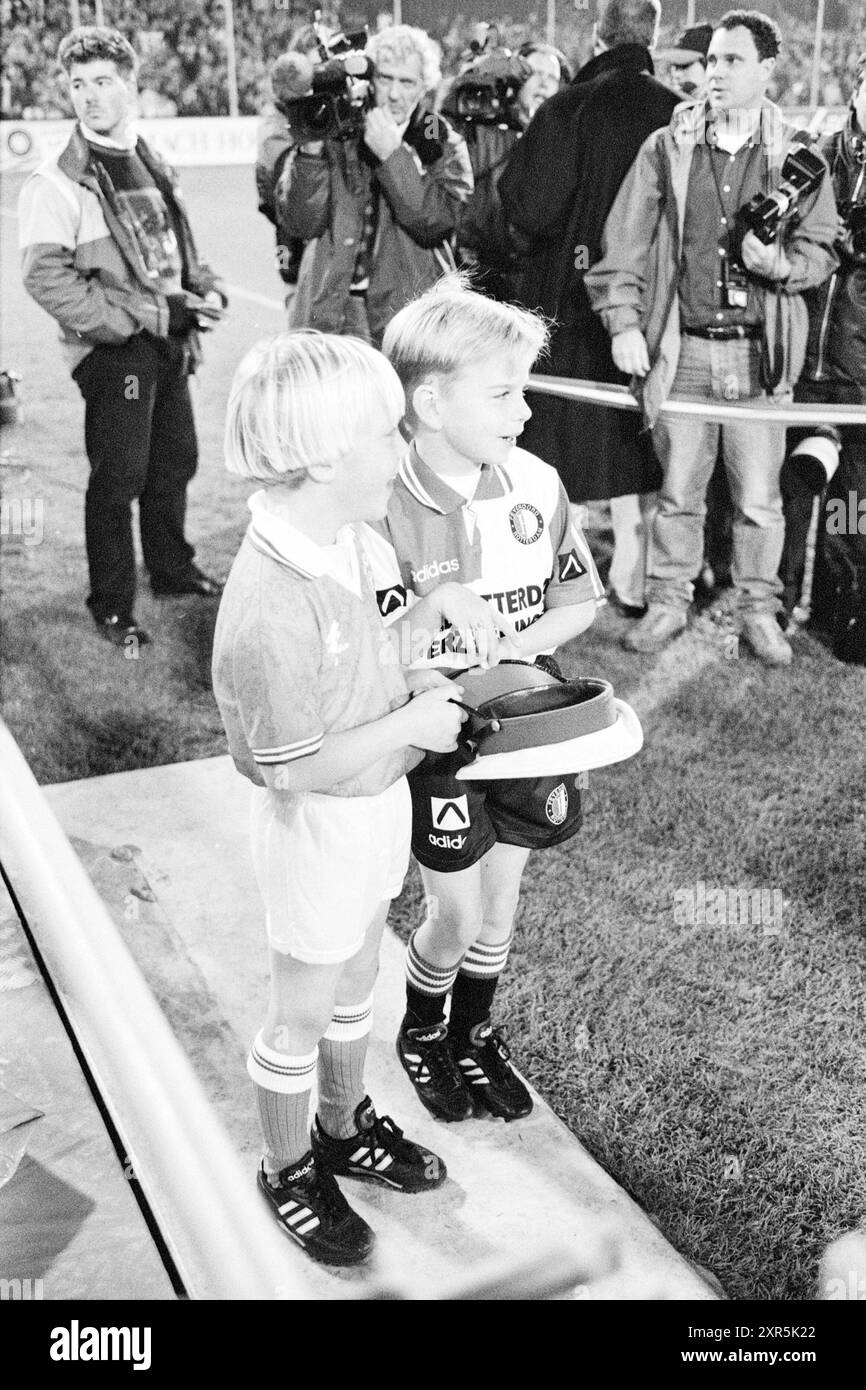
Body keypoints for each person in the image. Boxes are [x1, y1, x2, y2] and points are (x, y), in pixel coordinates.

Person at [211, 331, 515, 1265]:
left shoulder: (355, 536)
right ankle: (287, 1162)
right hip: (319, 824)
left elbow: (381, 646)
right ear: (324, 457)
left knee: (356, 981)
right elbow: (287, 765)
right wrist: (409, 726)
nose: (403, 449)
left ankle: (342, 1125)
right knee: (301, 1009)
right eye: (389, 433)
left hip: (376, 805)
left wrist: (430, 614)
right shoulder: (269, 605)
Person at [362, 281, 605, 1124]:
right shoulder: (376, 498)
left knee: (501, 904)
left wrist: (507, 652)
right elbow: (373, 641)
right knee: (454, 911)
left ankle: (474, 1031)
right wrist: (440, 678)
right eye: (502, 393)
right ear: (428, 401)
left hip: (527, 728)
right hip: (440, 740)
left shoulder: (535, 483)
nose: (525, 411)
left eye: (524, 390)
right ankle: (423, 1031)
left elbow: (579, 600)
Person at [585, 10, 838, 666]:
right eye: (714, 61)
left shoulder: (801, 155)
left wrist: (775, 265)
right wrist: (623, 324)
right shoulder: (667, 146)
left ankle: (758, 608)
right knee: (678, 489)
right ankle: (669, 600)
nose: (716, 73)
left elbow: (819, 253)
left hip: (760, 352)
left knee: (760, 498)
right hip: (686, 344)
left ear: (765, 69)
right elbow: (623, 244)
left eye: (732, 61)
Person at [18, 26, 226, 648]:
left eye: (103, 82)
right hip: (117, 349)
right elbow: (42, 276)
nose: (88, 96)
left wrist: (205, 286)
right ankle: (111, 604)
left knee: (174, 461)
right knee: (119, 476)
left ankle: (171, 571)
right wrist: (123, 321)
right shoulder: (59, 179)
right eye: (78, 84)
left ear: (131, 86)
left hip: (169, 338)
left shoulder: (151, 158)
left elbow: (174, 251)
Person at [499, 0, 678, 617]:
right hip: (650, 310)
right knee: (636, 436)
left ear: (597, 34)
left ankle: (553, 582)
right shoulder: (678, 112)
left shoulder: (568, 107)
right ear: (654, 34)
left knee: (557, 445)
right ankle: (632, 579)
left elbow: (528, 209)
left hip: (566, 305)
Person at [273, 24, 472, 346]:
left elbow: (437, 224)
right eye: (385, 78)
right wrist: (310, 149)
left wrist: (393, 155)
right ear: (369, 78)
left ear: (425, 87)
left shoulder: (440, 138)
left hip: (407, 314)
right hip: (331, 306)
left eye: (407, 82)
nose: (394, 94)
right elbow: (301, 222)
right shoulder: (339, 129)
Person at [779, 53, 866, 663]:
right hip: (801, 350)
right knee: (792, 487)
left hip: (858, 362)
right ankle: (778, 603)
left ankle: (845, 609)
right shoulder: (815, 153)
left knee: (852, 503)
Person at [447, 39, 570, 302]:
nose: (544, 83)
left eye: (552, 77)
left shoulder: (563, 139)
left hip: (530, 276)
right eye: (535, 73)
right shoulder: (483, 127)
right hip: (477, 272)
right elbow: (448, 114)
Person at [657, 21, 713, 100]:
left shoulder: (731, 109)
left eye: (684, 66)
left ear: (709, 65)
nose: (676, 74)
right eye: (675, 66)